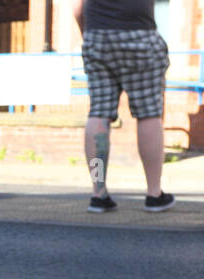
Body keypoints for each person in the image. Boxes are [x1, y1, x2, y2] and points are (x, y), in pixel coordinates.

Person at [71, 0, 175, 212]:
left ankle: (98, 193)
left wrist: (89, 34)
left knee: (98, 112)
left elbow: (77, 8)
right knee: (148, 114)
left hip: (97, 37)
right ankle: (154, 194)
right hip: (138, 35)